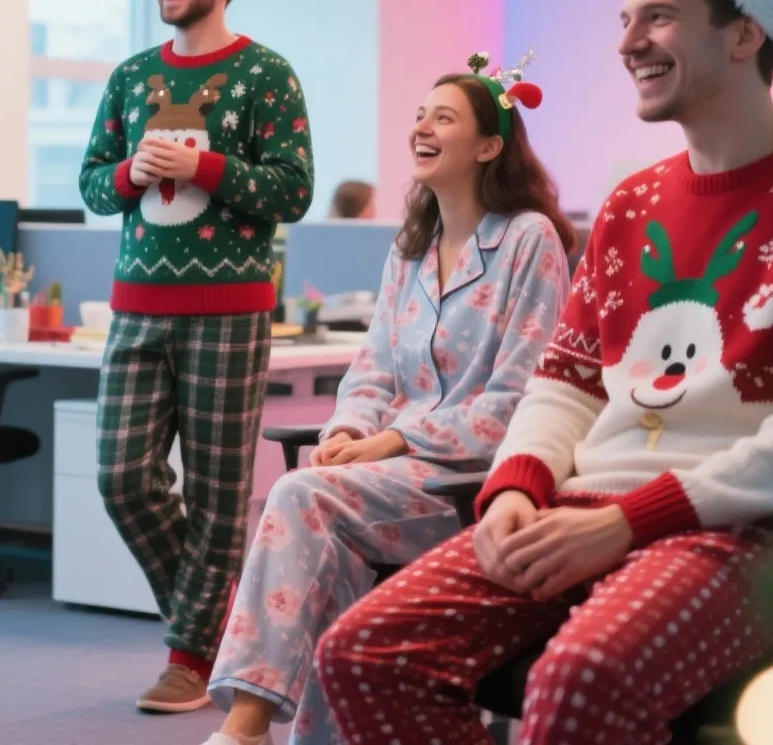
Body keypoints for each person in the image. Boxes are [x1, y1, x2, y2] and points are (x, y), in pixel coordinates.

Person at [315, 0, 773, 744]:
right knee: (362, 653)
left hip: (748, 533)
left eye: (661, 19)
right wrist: (518, 485)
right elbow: (564, 385)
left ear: (745, 31)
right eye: (627, 18)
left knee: (582, 678)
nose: (629, 42)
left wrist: (628, 523)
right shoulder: (633, 203)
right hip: (580, 509)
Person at [199, 60, 578, 745]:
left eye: (444, 118)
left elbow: (523, 397)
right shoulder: (410, 250)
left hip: (472, 481)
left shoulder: (529, 239)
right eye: (419, 115)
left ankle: (244, 725)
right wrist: (349, 430)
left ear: (489, 146)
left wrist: (398, 441)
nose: (422, 128)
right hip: (393, 481)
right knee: (329, 544)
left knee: (299, 496)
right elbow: (372, 368)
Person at [79, 0, 317, 714]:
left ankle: (188, 653)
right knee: (120, 477)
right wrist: (129, 176)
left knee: (218, 492)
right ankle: (223, 623)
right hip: (136, 305)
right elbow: (91, 184)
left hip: (230, 307)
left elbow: (294, 190)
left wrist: (202, 169)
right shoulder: (132, 75)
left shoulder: (264, 73)